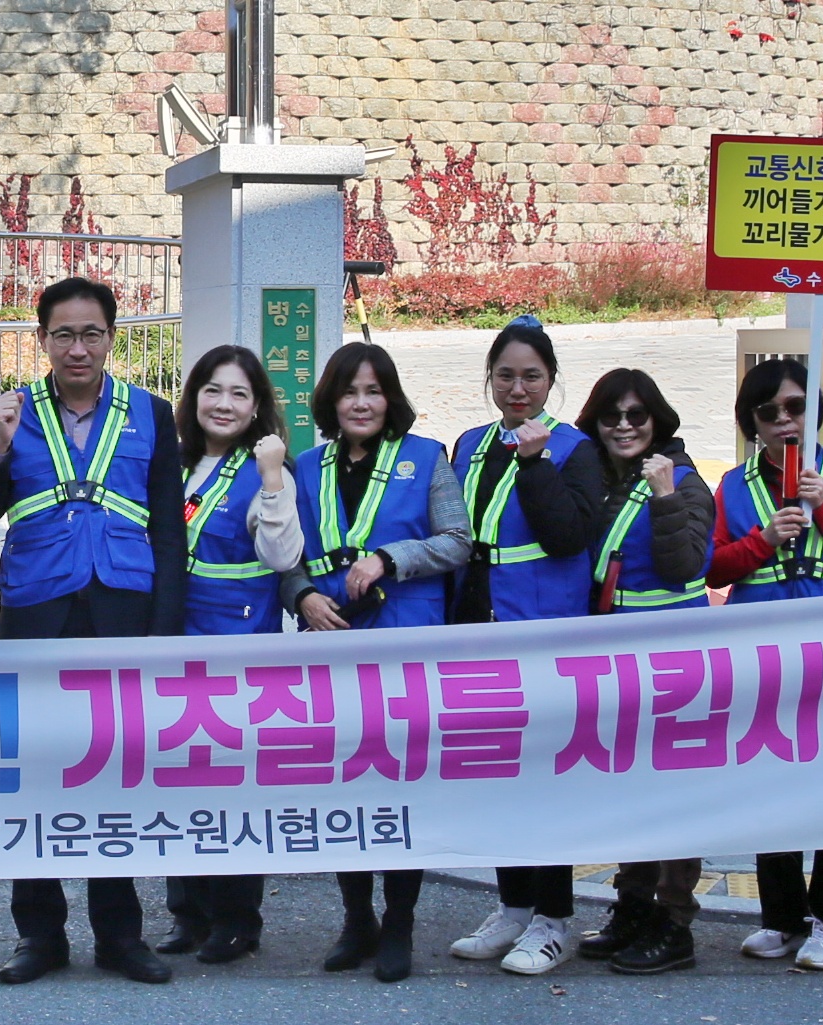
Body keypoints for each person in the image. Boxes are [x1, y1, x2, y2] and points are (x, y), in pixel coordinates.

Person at [0, 276, 184, 986]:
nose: (77, 347)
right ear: (41, 340)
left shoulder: (151, 414)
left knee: (114, 774)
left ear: (112, 338)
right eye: (63, 334)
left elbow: (169, 532)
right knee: (34, 774)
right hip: (35, 610)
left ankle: (120, 934)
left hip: (121, 608)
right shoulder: (7, 411)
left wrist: (162, 632)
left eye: (91, 333)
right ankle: (39, 934)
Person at [285, 342, 472, 982]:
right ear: (330, 402)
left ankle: (399, 923)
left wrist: (389, 558)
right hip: (334, 640)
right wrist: (304, 595)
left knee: (400, 788)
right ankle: (356, 919)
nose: (361, 403)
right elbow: (285, 554)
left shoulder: (426, 459)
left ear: (390, 398)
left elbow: (456, 541)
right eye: (348, 392)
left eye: (373, 390)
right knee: (348, 785)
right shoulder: (305, 467)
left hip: (405, 642)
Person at [708, 357, 823, 972]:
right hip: (763, 655)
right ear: (751, 423)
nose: (785, 421)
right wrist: (763, 539)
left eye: (796, 407)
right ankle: (782, 917)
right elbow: (713, 568)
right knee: (771, 783)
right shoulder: (732, 487)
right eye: (769, 412)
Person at [443, 316, 603, 976]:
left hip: (544, 631)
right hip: (480, 630)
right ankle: (512, 905)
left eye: (530, 376)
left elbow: (568, 535)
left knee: (544, 776)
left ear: (551, 381)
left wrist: (533, 460)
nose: (517, 388)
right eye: (505, 375)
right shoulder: (469, 444)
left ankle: (554, 917)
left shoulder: (574, 448)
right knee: (498, 775)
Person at [157, 345, 305, 970]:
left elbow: (281, 555)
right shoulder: (175, 463)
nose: (224, 404)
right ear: (194, 398)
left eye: (239, 394)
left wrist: (273, 478)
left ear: (257, 406)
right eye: (213, 390)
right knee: (177, 785)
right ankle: (187, 914)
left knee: (233, 791)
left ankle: (237, 919)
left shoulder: (264, 468)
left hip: (239, 649)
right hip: (174, 640)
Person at [564, 368, 714, 976]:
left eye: (636, 415)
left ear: (658, 421)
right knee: (629, 789)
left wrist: (665, 499)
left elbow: (684, 566)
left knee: (675, 795)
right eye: (610, 416)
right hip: (615, 657)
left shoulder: (683, 480)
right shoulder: (597, 480)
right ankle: (632, 907)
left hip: (677, 661)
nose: (624, 426)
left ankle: (673, 924)